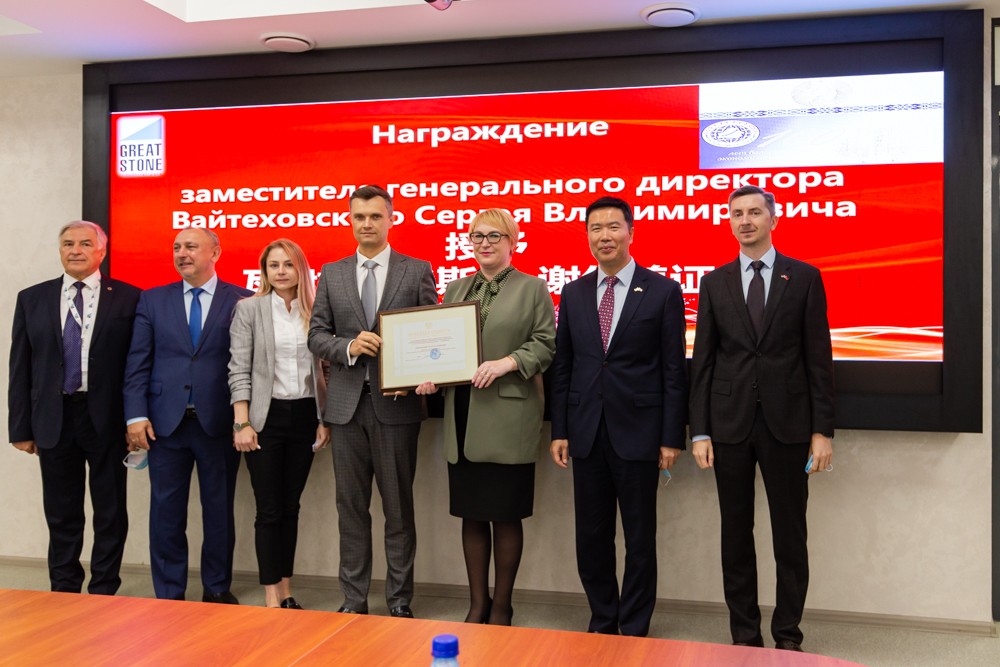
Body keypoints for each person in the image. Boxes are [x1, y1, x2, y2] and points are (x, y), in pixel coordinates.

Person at [689, 184, 835, 652]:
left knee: (790, 536)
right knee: (735, 536)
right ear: (729, 222)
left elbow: (819, 360)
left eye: (754, 212)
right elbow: (704, 361)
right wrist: (700, 430)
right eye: (737, 214)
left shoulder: (804, 277)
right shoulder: (714, 282)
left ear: (773, 219)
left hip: (788, 425)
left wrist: (822, 431)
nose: (745, 220)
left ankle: (788, 635)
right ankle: (745, 636)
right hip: (728, 426)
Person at [549, 196, 688, 637]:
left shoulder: (663, 290)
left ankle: (634, 624)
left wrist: (671, 437)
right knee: (591, 536)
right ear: (587, 236)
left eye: (613, 227)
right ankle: (603, 618)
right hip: (586, 431)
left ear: (630, 232)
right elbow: (564, 366)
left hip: (640, 433)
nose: (604, 236)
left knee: (639, 538)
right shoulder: (573, 292)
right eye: (596, 228)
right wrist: (560, 428)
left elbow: (673, 370)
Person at [415, 209, 555, 626]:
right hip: (463, 416)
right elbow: (442, 348)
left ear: (513, 242)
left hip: (509, 417)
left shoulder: (533, 288)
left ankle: (502, 605)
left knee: (506, 515)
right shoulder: (456, 288)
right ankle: (478, 604)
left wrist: (508, 362)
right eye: (477, 236)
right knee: (472, 514)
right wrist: (431, 376)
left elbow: (545, 344)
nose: (485, 243)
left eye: (495, 236)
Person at [308, 185, 437, 618]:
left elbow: (431, 333)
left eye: (375, 216)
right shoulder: (332, 273)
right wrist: (347, 346)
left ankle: (399, 601)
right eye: (359, 217)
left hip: (397, 407)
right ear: (350, 220)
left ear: (390, 219)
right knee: (350, 509)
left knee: (398, 510)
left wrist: (421, 375)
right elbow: (316, 335)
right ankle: (354, 599)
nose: (367, 224)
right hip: (345, 408)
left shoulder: (416, 270)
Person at [8, 221, 141, 596]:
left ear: (102, 251)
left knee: (110, 510)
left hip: (107, 419)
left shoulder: (129, 298)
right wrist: (20, 428)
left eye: (85, 243)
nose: (76, 250)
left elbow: (138, 366)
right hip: (53, 418)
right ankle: (64, 588)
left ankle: (104, 588)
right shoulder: (32, 298)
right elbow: (20, 367)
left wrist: (135, 418)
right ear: (60, 250)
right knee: (61, 511)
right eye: (68, 244)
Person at [123, 227, 252, 602]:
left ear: (216, 252)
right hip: (165, 425)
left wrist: (245, 419)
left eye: (191, 246)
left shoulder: (243, 300)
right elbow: (137, 363)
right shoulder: (152, 300)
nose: (182, 253)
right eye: (177, 247)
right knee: (166, 513)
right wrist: (135, 416)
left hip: (219, 423)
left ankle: (217, 589)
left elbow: (250, 364)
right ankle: (168, 592)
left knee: (219, 511)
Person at [228, 239, 331, 609]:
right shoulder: (249, 309)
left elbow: (323, 370)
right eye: (274, 265)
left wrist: (323, 419)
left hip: (304, 416)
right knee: (269, 509)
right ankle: (272, 593)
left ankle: (287, 589)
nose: (281, 271)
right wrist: (242, 423)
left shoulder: (315, 310)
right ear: (264, 271)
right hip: (264, 419)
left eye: (288, 264)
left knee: (291, 507)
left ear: (300, 269)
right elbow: (238, 368)